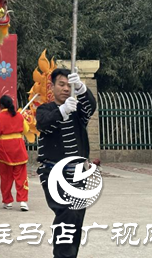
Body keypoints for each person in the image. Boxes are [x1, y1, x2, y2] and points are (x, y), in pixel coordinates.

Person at [36, 69, 97, 258]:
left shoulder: (79, 112)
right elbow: (44, 124)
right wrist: (61, 111)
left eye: (68, 85)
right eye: (61, 84)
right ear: (52, 86)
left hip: (78, 174)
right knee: (67, 212)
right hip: (53, 173)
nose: (65, 88)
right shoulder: (44, 109)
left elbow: (91, 106)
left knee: (76, 219)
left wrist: (80, 87)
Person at [0, 95, 34, 211]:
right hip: (18, 146)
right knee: (21, 176)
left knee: (6, 177)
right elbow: (26, 130)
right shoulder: (19, 116)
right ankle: (23, 201)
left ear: (1, 105)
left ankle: (7, 201)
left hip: (4, 148)